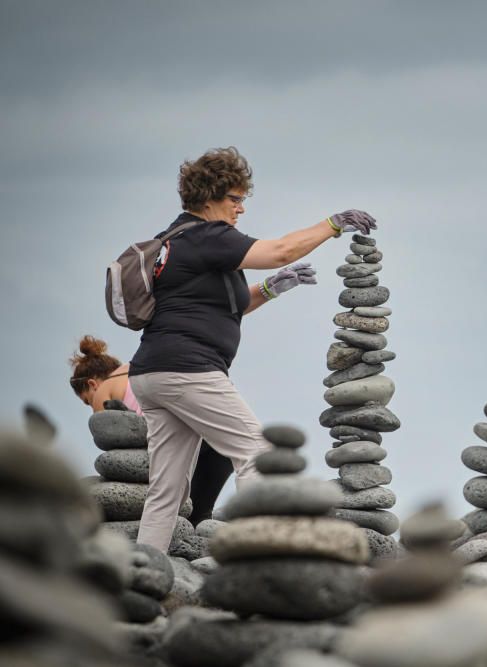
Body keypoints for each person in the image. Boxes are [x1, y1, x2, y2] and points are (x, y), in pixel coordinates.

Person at [128, 146, 376, 552]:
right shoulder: (209, 236)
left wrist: (272, 288)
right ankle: (260, 555)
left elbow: (218, 306)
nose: (240, 209)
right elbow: (280, 250)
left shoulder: (171, 240)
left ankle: (141, 574)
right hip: (189, 370)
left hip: (151, 372)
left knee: (166, 490)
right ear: (209, 197)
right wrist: (333, 223)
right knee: (257, 454)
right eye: (235, 199)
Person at [69, 335, 233, 525]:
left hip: (180, 442)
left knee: (171, 518)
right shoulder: (143, 368)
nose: (92, 408)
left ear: (92, 384)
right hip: (217, 439)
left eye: (87, 401)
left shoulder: (104, 390)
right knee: (197, 518)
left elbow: (110, 439)